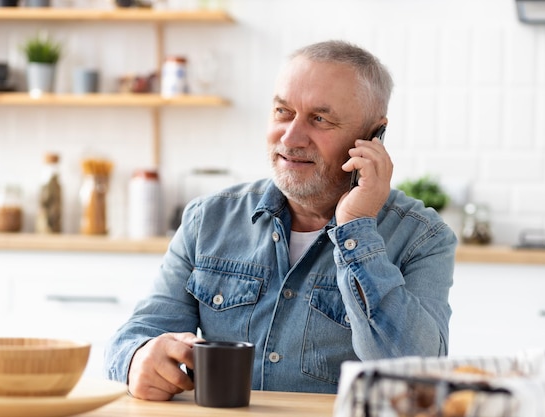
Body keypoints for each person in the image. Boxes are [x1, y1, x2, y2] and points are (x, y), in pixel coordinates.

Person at [105, 39, 457, 400]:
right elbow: (134, 337)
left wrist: (357, 229)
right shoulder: (207, 220)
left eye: (320, 119)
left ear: (373, 137)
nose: (291, 137)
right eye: (283, 112)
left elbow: (418, 378)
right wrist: (138, 358)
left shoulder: (422, 238)